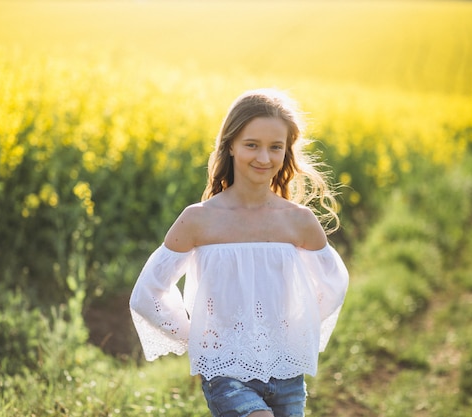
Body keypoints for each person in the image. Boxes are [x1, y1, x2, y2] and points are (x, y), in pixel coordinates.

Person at [130, 88, 349, 417]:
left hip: (287, 369)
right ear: (230, 145)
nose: (264, 158)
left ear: (286, 152)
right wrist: (198, 338)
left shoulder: (299, 221)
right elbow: (148, 292)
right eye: (252, 145)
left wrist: (296, 327)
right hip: (225, 372)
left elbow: (334, 283)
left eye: (275, 147)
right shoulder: (198, 219)